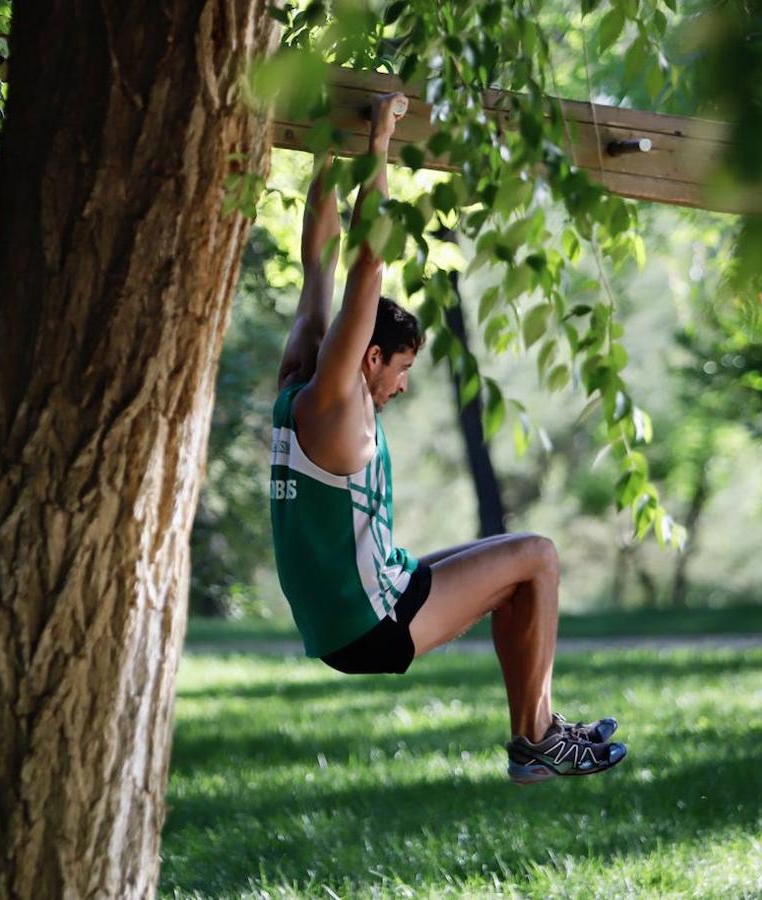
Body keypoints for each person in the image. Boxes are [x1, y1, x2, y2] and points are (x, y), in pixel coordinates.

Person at [269, 92, 627, 784]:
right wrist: (378, 140)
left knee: (509, 569)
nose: (401, 386)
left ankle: (537, 729)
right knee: (540, 556)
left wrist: (322, 148)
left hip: (347, 611)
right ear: (368, 357)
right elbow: (365, 269)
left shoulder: (295, 385)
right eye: (400, 369)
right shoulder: (339, 403)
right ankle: (537, 740)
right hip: (370, 627)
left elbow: (320, 260)